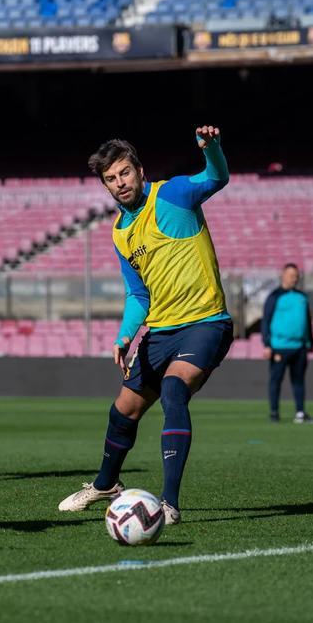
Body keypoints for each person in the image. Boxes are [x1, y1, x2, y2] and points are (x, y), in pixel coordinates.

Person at [57, 126, 233, 525]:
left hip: (206, 323)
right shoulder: (120, 233)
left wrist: (213, 149)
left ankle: (169, 504)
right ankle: (105, 484)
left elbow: (216, 177)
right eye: (111, 179)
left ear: (139, 170)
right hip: (160, 332)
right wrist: (124, 336)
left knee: (173, 391)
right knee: (123, 413)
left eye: (124, 173)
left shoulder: (170, 194)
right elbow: (138, 295)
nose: (120, 183)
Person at [261, 263, 313, 423]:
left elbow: (308, 321)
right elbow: (266, 321)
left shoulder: (302, 297)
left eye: (296, 275)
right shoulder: (274, 296)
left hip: (299, 347)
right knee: (276, 380)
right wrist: (267, 344)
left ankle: (300, 412)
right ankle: (274, 412)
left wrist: (310, 341)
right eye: (291, 275)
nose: (294, 278)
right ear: (283, 275)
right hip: (279, 347)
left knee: (299, 381)